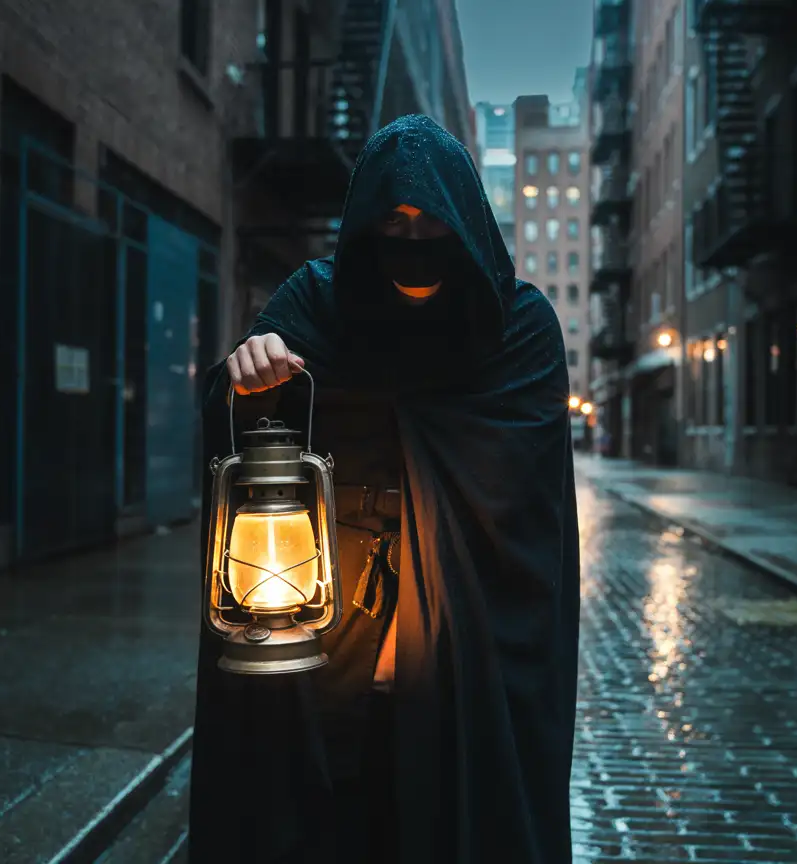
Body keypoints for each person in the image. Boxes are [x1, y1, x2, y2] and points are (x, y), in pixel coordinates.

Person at [189, 114, 580, 864]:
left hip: (467, 688)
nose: (413, 238)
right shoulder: (314, 305)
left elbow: (530, 530)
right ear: (362, 223)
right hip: (321, 681)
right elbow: (227, 426)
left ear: (465, 221)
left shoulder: (518, 329)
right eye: (393, 221)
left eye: (431, 220)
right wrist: (247, 377)